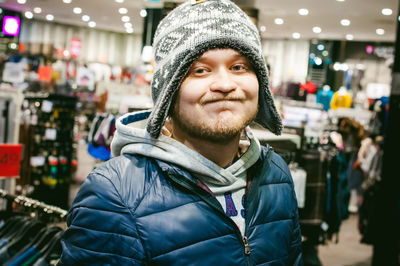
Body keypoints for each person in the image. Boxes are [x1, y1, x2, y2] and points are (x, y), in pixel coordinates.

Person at [59, 0, 303, 265]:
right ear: (168, 92)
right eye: (200, 70)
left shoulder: (275, 174)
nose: (224, 84)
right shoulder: (114, 193)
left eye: (239, 67)